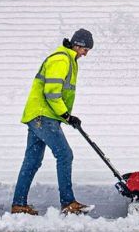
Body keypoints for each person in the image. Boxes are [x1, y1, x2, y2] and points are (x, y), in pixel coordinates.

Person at [11, 28, 94, 215]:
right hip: (43, 116)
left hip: (40, 116)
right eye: (85, 49)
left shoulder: (67, 59)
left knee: (32, 161)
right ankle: (68, 202)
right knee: (65, 155)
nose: (85, 54)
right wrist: (66, 116)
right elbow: (51, 93)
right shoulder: (61, 59)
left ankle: (18, 204)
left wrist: (65, 116)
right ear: (77, 45)